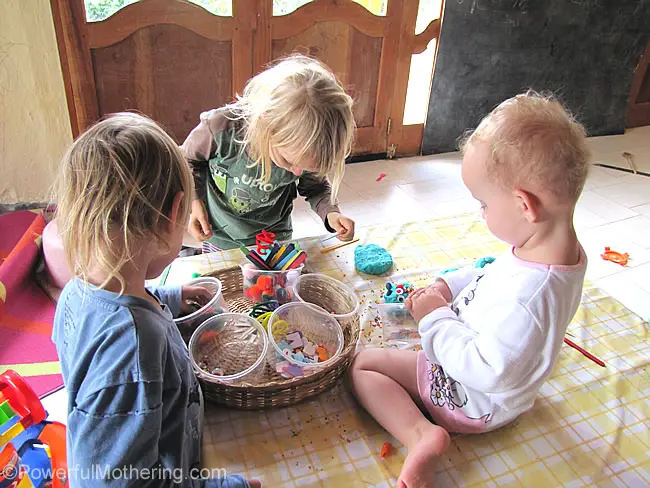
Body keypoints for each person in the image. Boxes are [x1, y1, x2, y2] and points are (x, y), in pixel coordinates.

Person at [350, 92, 590, 488]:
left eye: (483, 203)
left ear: (524, 206)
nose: (480, 213)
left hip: (470, 398)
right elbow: (493, 273)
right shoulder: (551, 249)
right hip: (502, 392)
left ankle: (421, 435)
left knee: (363, 365)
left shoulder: (527, 300)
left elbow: (484, 368)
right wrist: (448, 285)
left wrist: (434, 317)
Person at [51, 113, 260, 488]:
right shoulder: (136, 345)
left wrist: (169, 297)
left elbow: (114, 315)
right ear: (175, 215)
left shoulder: (78, 292)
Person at [181, 54, 356, 252]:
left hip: (275, 237)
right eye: (289, 162)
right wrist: (195, 202)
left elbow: (315, 187)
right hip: (220, 236)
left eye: (305, 167)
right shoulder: (220, 128)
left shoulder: (303, 149)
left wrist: (331, 214)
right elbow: (187, 161)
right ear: (266, 127)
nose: (297, 173)